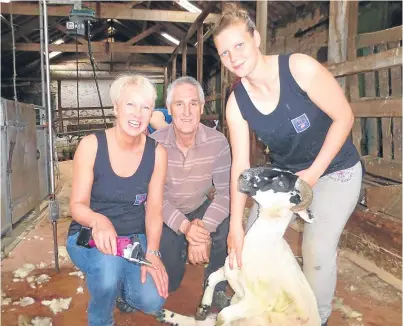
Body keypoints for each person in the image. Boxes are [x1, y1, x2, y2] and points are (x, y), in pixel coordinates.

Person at [212, 4, 363, 326]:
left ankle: (315, 319)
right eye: (224, 53)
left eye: (239, 45)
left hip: (336, 170)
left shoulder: (299, 69)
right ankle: (261, 306)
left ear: (256, 38)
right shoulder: (236, 104)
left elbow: (344, 117)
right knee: (250, 243)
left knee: (316, 250)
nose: (234, 57)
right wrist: (235, 226)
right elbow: (241, 164)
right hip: (287, 177)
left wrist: (314, 173)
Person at [66, 74, 169, 326]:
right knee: (108, 270)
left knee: (153, 299)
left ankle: (123, 288)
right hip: (88, 234)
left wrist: (153, 252)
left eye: (146, 107)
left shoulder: (157, 153)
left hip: (134, 238)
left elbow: (154, 209)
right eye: (130, 104)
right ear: (116, 107)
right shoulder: (91, 145)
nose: (138, 113)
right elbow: (76, 205)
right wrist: (98, 220)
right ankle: (100, 319)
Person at [151, 76, 232, 309]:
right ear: (168, 109)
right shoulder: (155, 144)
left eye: (193, 103)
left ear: (202, 106)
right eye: (179, 104)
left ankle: (215, 286)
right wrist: (186, 228)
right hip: (168, 213)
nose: (186, 112)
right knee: (172, 283)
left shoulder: (218, 142)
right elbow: (155, 200)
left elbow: (225, 193)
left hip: (198, 205)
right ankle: (178, 251)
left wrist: (203, 230)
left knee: (227, 224)